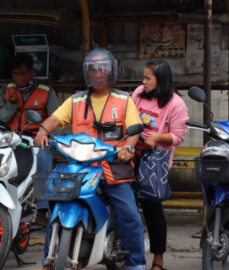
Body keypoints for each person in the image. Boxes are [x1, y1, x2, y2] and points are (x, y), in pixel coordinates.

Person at [35, 49, 147, 270]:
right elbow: (55, 119)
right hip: (80, 167)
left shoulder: (124, 99)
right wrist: (42, 131)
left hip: (113, 167)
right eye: (93, 69)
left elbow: (135, 130)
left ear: (112, 71)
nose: (98, 73)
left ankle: (135, 264)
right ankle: (49, 258)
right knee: (57, 205)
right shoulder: (76, 100)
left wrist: (128, 147)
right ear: (87, 73)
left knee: (130, 215)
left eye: (102, 68)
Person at [132, 59, 189, 270]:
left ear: (161, 80)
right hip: (130, 154)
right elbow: (128, 118)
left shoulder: (176, 103)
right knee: (123, 202)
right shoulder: (138, 93)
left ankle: (158, 259)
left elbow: (178, 137)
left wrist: (156, 137)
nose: (143, 81)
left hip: (155, 162)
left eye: (148, 78)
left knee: (152, 209)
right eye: (144, 77)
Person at [0, 54, 60, 227]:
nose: (18, 78)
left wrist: (44, 133)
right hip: (10, 139)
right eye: (15, 74)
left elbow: (57, 120)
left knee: (45, 157)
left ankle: (42, 210)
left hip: (37, 140)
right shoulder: (6, 90)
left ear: (32, 72)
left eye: (22, 74)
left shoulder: (46, 90)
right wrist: (10, 105)